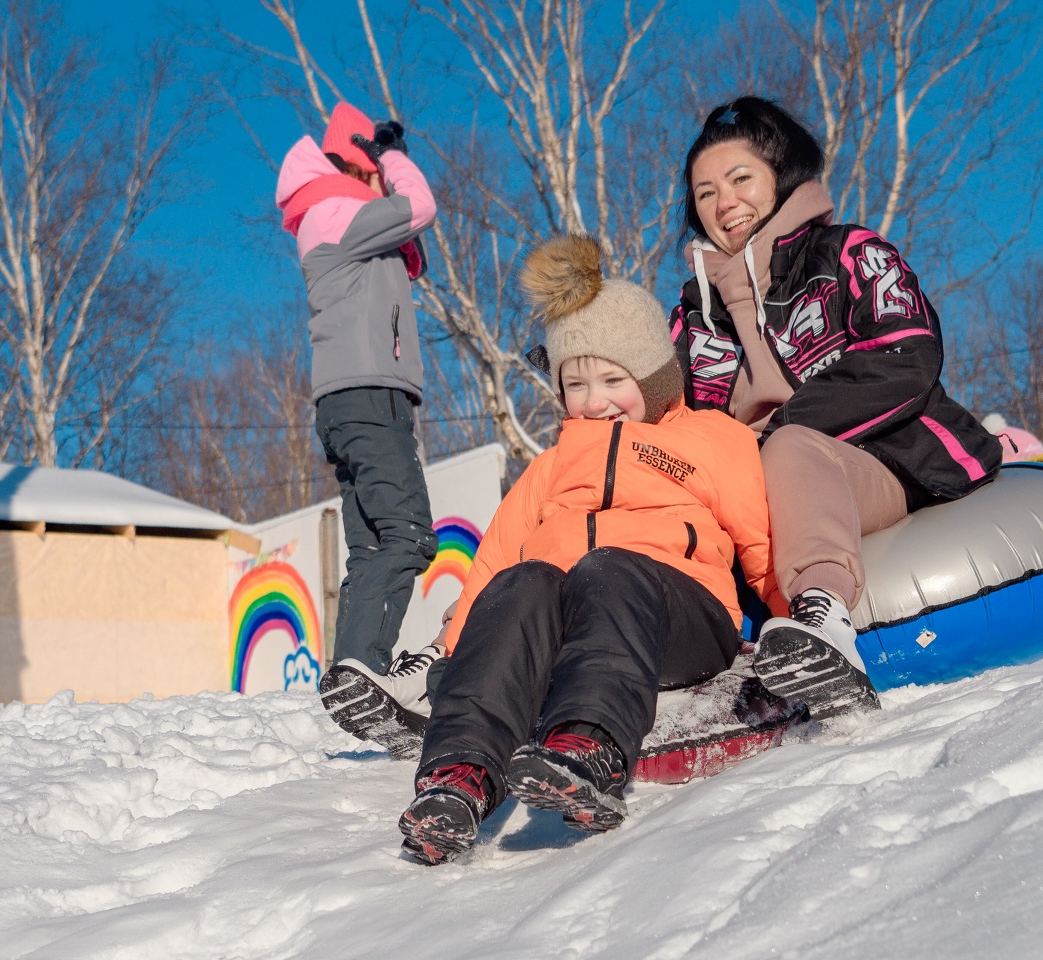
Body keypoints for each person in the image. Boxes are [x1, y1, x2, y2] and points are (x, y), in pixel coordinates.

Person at [398, 236, 777, 864]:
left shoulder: (712, 439)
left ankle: (591, 746)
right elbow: (492, 564)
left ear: (653, 378)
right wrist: (450, 651)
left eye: (612, 379)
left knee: (610, 568)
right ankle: (457, 779)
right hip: (568, 630)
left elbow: (759, 540)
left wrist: (796, 618)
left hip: (674, 617)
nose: (593, 400)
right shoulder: (550, 466)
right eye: (576, 384)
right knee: (523, 584)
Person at [669, 96, 1001, 720]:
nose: (724, 203)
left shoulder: (848, 253)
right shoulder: (695, 313)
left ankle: (823, 621)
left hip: (879, 464)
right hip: (753, 494)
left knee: (791, 447)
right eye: (705, 191)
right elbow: (674, 420)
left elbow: (905, 355)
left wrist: (781, 430)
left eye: (741, 179)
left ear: (783, 177)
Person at [274, 103, 443, 736]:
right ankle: (363, 668)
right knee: (409, 535)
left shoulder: (331, 215)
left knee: (373, 544)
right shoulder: (336, 211)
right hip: (370, 398)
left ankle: (356, 677)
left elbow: (413, 253)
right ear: (357, 162)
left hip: (352, 401)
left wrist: (377, 162)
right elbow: (418, 206)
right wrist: (391, 155)